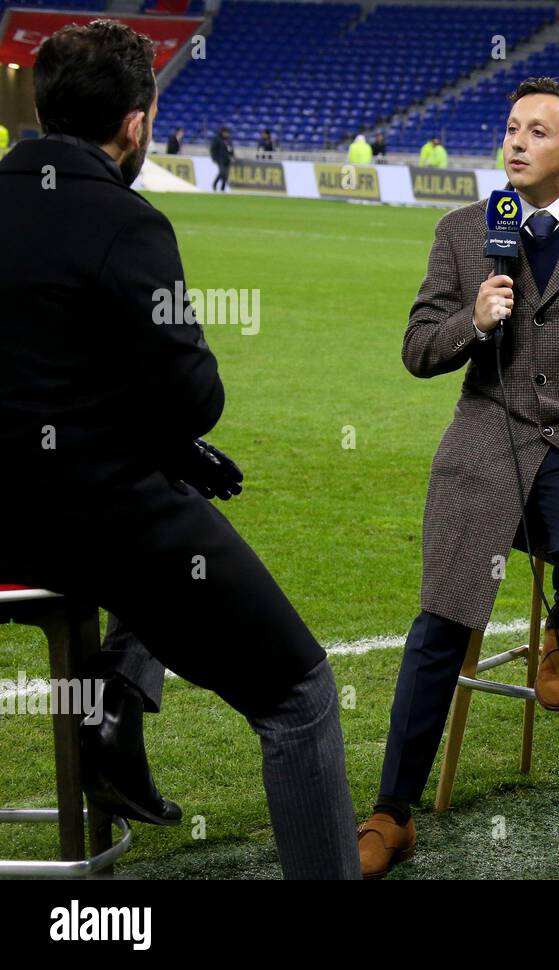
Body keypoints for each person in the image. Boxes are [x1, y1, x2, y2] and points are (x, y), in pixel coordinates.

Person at [0, 19, 361, 879]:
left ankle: (113, 714)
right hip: (90, 519)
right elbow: (195, 396)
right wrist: (167, 439)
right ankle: (115, 711)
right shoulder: (128, 224)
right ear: (138, 123)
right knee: (300, 695)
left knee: (172, 513)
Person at [356, 76, 559, 878]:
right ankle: (392, 813)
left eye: (537, 132)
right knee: (443, 619)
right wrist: (474, 320)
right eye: (510, 128)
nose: (517, 141)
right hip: (483, 450)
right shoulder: (465, 233)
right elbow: (419, 348)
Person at [209, 125, 232, 191]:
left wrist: (232, 156)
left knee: (226, 175)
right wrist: (214, 158)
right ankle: (214, 184)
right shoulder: (217, 139)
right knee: (222, 172)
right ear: (222, 132)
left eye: (228, 133)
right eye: (226, 132)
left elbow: (231, 149)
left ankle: (223, 188)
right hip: (220, 159)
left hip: (227, 160)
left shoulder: (228, 140)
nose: (227, 134)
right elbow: (213, 149)